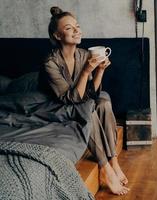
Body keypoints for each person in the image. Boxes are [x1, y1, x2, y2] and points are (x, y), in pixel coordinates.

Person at [39, 6, 129, 195]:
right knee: (86, 109)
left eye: (77, 26)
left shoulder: (83, 55)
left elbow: (92, 94)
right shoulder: (50, 62)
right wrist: (87, 71)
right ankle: (105, 169)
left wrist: (100, 70)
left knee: (103, 100)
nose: (77, 30)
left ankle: (114, 161)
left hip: (80, 101)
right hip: (58, 105)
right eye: (69, 28)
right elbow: (70, 99)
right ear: (57, 35)